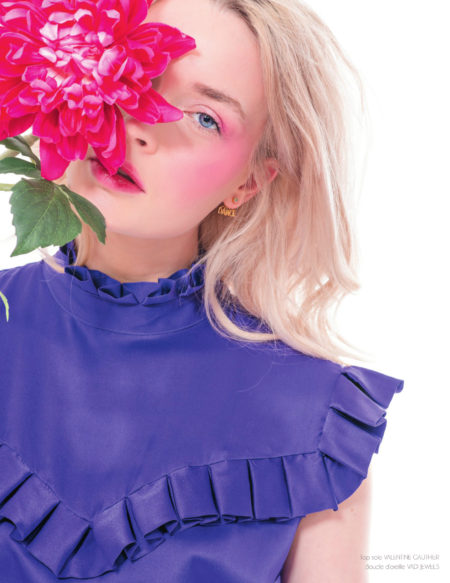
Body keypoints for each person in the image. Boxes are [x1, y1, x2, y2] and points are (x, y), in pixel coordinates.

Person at [0, 0, 404, 581]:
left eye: (204, 118)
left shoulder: (317, 433)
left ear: (249, 182)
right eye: (132, 75)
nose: (140, 124)